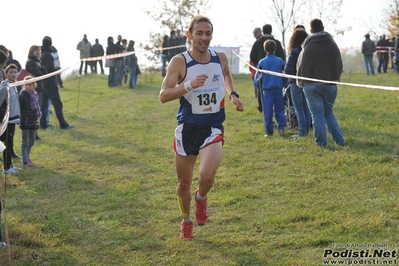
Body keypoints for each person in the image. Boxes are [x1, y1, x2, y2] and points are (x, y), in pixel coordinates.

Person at [159, 15, 244, 240]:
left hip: (212, 128)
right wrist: (188, 85)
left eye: (208, 33)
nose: (204, 38)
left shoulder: (220, 58)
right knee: (183, 184)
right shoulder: (180, 62)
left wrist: (232, 94)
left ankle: (201, 198)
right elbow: (163, 95)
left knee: (206, 177)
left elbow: (226, 74)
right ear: (190, 35)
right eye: (199, 33)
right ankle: (186, 220)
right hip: (187, 130)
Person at [297, 18, 344, 147]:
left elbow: (300, 65)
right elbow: (339, 64)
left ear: (311, 31)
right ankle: (339, 141)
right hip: (330, 84)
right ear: (323, 28)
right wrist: (336, 79)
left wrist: (300, 82)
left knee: (317, 114)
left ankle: (321, 143)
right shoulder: (333, 44)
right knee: (329, 113)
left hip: (311, 85)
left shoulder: (307, 46)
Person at [250, 24, 285, 113]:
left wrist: (258, 64)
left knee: (261, 91)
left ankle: (262, 108)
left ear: (262, 31)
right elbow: (282, 57)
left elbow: (252, 56)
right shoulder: (276, 42)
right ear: (271, 30)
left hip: (263, 72)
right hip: (276, 74)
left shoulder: (258, 42)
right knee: (277, 94)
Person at [40, 36, 74, 130]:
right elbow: (49, 68)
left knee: (44, 104)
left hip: (44, 82)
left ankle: (43, 124)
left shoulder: (41, 53)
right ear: (50, 44)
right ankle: (63, 124)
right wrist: (57, 69)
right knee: (57, 103)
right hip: (50, 82)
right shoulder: (47, 55)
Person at [254, 40, 287, 136]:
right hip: (278, 90)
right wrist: (285, 84)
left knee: (268, 111)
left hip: (267, 91)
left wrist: (258, 85)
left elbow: (258, 78)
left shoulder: (262, 62)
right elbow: (284, 75)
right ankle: (281, 128)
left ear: (264, 49)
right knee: (280, 110)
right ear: (275, 48)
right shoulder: (280, 61)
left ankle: (269, 131)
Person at [284, 28, 311, 138]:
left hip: (296, 82)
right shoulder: (308, 51)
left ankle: (302, 132)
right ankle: (307, 130)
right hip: (307, 82)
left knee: (298, 108)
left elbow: (288, 69)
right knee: (306, 108)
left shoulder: (294, 52)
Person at [0, 64, 21, 174]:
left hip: (13, 119)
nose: (13, 74)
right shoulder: (5, 87)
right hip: (7, 120)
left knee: (10, 143)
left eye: (15, 72)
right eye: (11, 72)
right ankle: (6, 168)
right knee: (6, 144)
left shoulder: (14, 85)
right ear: (6, 74)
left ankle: (10, 165)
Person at [25, 45, 47, 140]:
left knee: (37, 112)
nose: (38, 52)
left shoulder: (38, 61)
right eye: (35, 50)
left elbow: (45, 73)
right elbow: (39, 75)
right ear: (31, 52)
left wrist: (40, 65)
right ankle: (34, 135)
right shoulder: (31, 62)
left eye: (38, 50)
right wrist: (40, 67)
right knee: (33, 113)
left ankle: (35, 134)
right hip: (33, 90)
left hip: (38, 89)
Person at [19, 76, 41, 167]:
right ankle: (25, 160)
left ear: (34, 85)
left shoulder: (35, 95)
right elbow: (19, 109)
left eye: (30, 85)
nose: (28, 87)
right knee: (25, 142)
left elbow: (37, 108)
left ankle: (28, 158)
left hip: (33, 122)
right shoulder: (22, 96)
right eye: (26, 85)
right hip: (25, 122)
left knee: (31, 142)